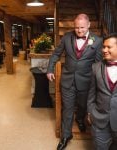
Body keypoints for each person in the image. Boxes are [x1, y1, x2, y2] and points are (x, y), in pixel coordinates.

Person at [47, 13, 103, 150]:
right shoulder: (66, 37)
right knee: (67, 108)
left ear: (89, 25)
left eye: (82, 27)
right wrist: (49, 69)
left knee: (82, 106)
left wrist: (98, 82)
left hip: (86, 81)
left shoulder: (97, 40)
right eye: (77, 27)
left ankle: (80, 118)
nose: (79, 30)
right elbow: (56, 54)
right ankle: (66, 135)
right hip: (67, 80)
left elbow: (98, 63)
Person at [87, 33, 117, 150]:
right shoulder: (95, 67)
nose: (104, 50)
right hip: (100, 120)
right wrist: (90, 112)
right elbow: (91, 93)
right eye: (103, 47)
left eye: (108, 47)